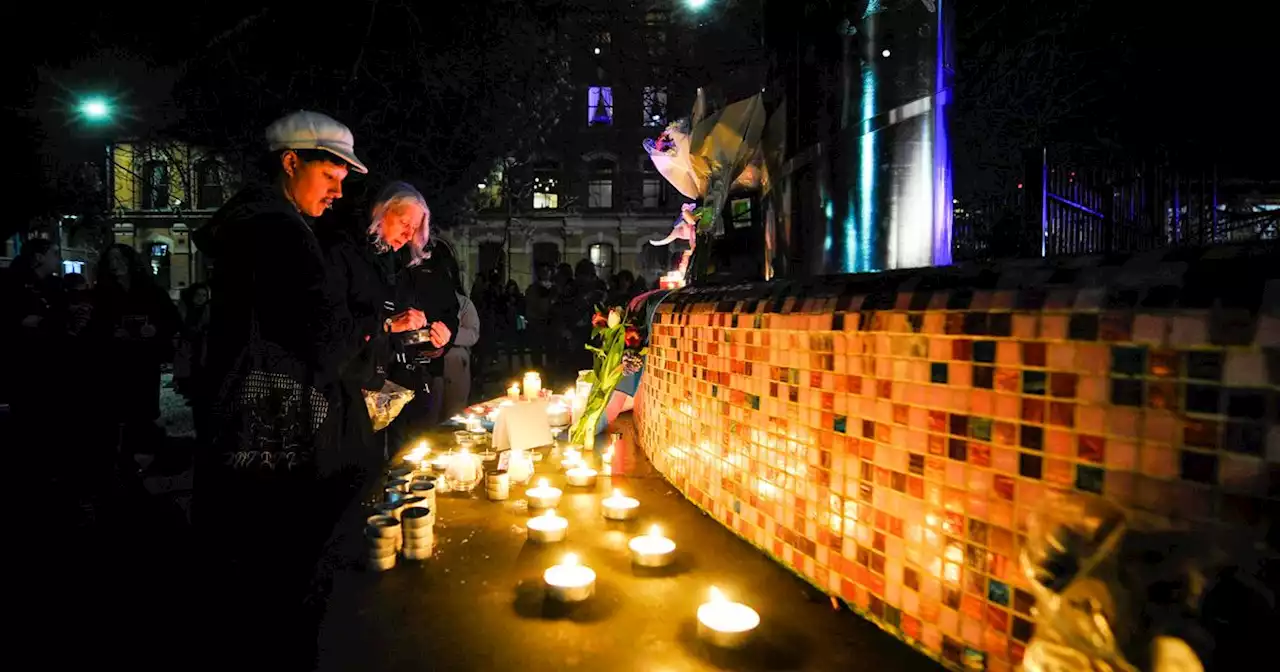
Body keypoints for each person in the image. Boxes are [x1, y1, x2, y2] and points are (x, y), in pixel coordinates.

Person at [192, 110, 368, 669]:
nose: (338, 193)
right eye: (329, 178)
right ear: (291, 162)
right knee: (285, 572)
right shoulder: (281, 231)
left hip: (243, 421)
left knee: (247, 571)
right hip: (278, 426)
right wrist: (366, 333)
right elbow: (327, 341)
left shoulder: (246, 224)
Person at [316, 180, 441, 477]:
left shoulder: (389, 262)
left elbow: (393, 331)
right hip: (339, 392)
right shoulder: (341, 250)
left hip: (375, 388)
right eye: (404, 222)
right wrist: (387, 324)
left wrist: (428, 341)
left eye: (415, 229)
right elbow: (333, 325)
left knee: (371, 470)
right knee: (348, 475)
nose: (408, 234)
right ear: (380, 211)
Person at [441, 256, 478, 419]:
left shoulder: (464, 304)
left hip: (455, 361)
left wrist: (448, 335)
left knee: (454, 411)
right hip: (431, 363)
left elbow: (472, 334)